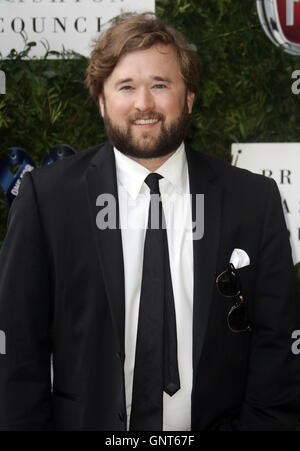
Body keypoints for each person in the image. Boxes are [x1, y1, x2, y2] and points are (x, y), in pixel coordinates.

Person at [0, 12, 299, 432]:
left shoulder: (254, 202)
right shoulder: (46, 200)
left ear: (189, 97)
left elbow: (277, 351)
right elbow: (17, 357)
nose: (144, 104)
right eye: (126, 87)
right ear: (102, 100)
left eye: (160, 85)